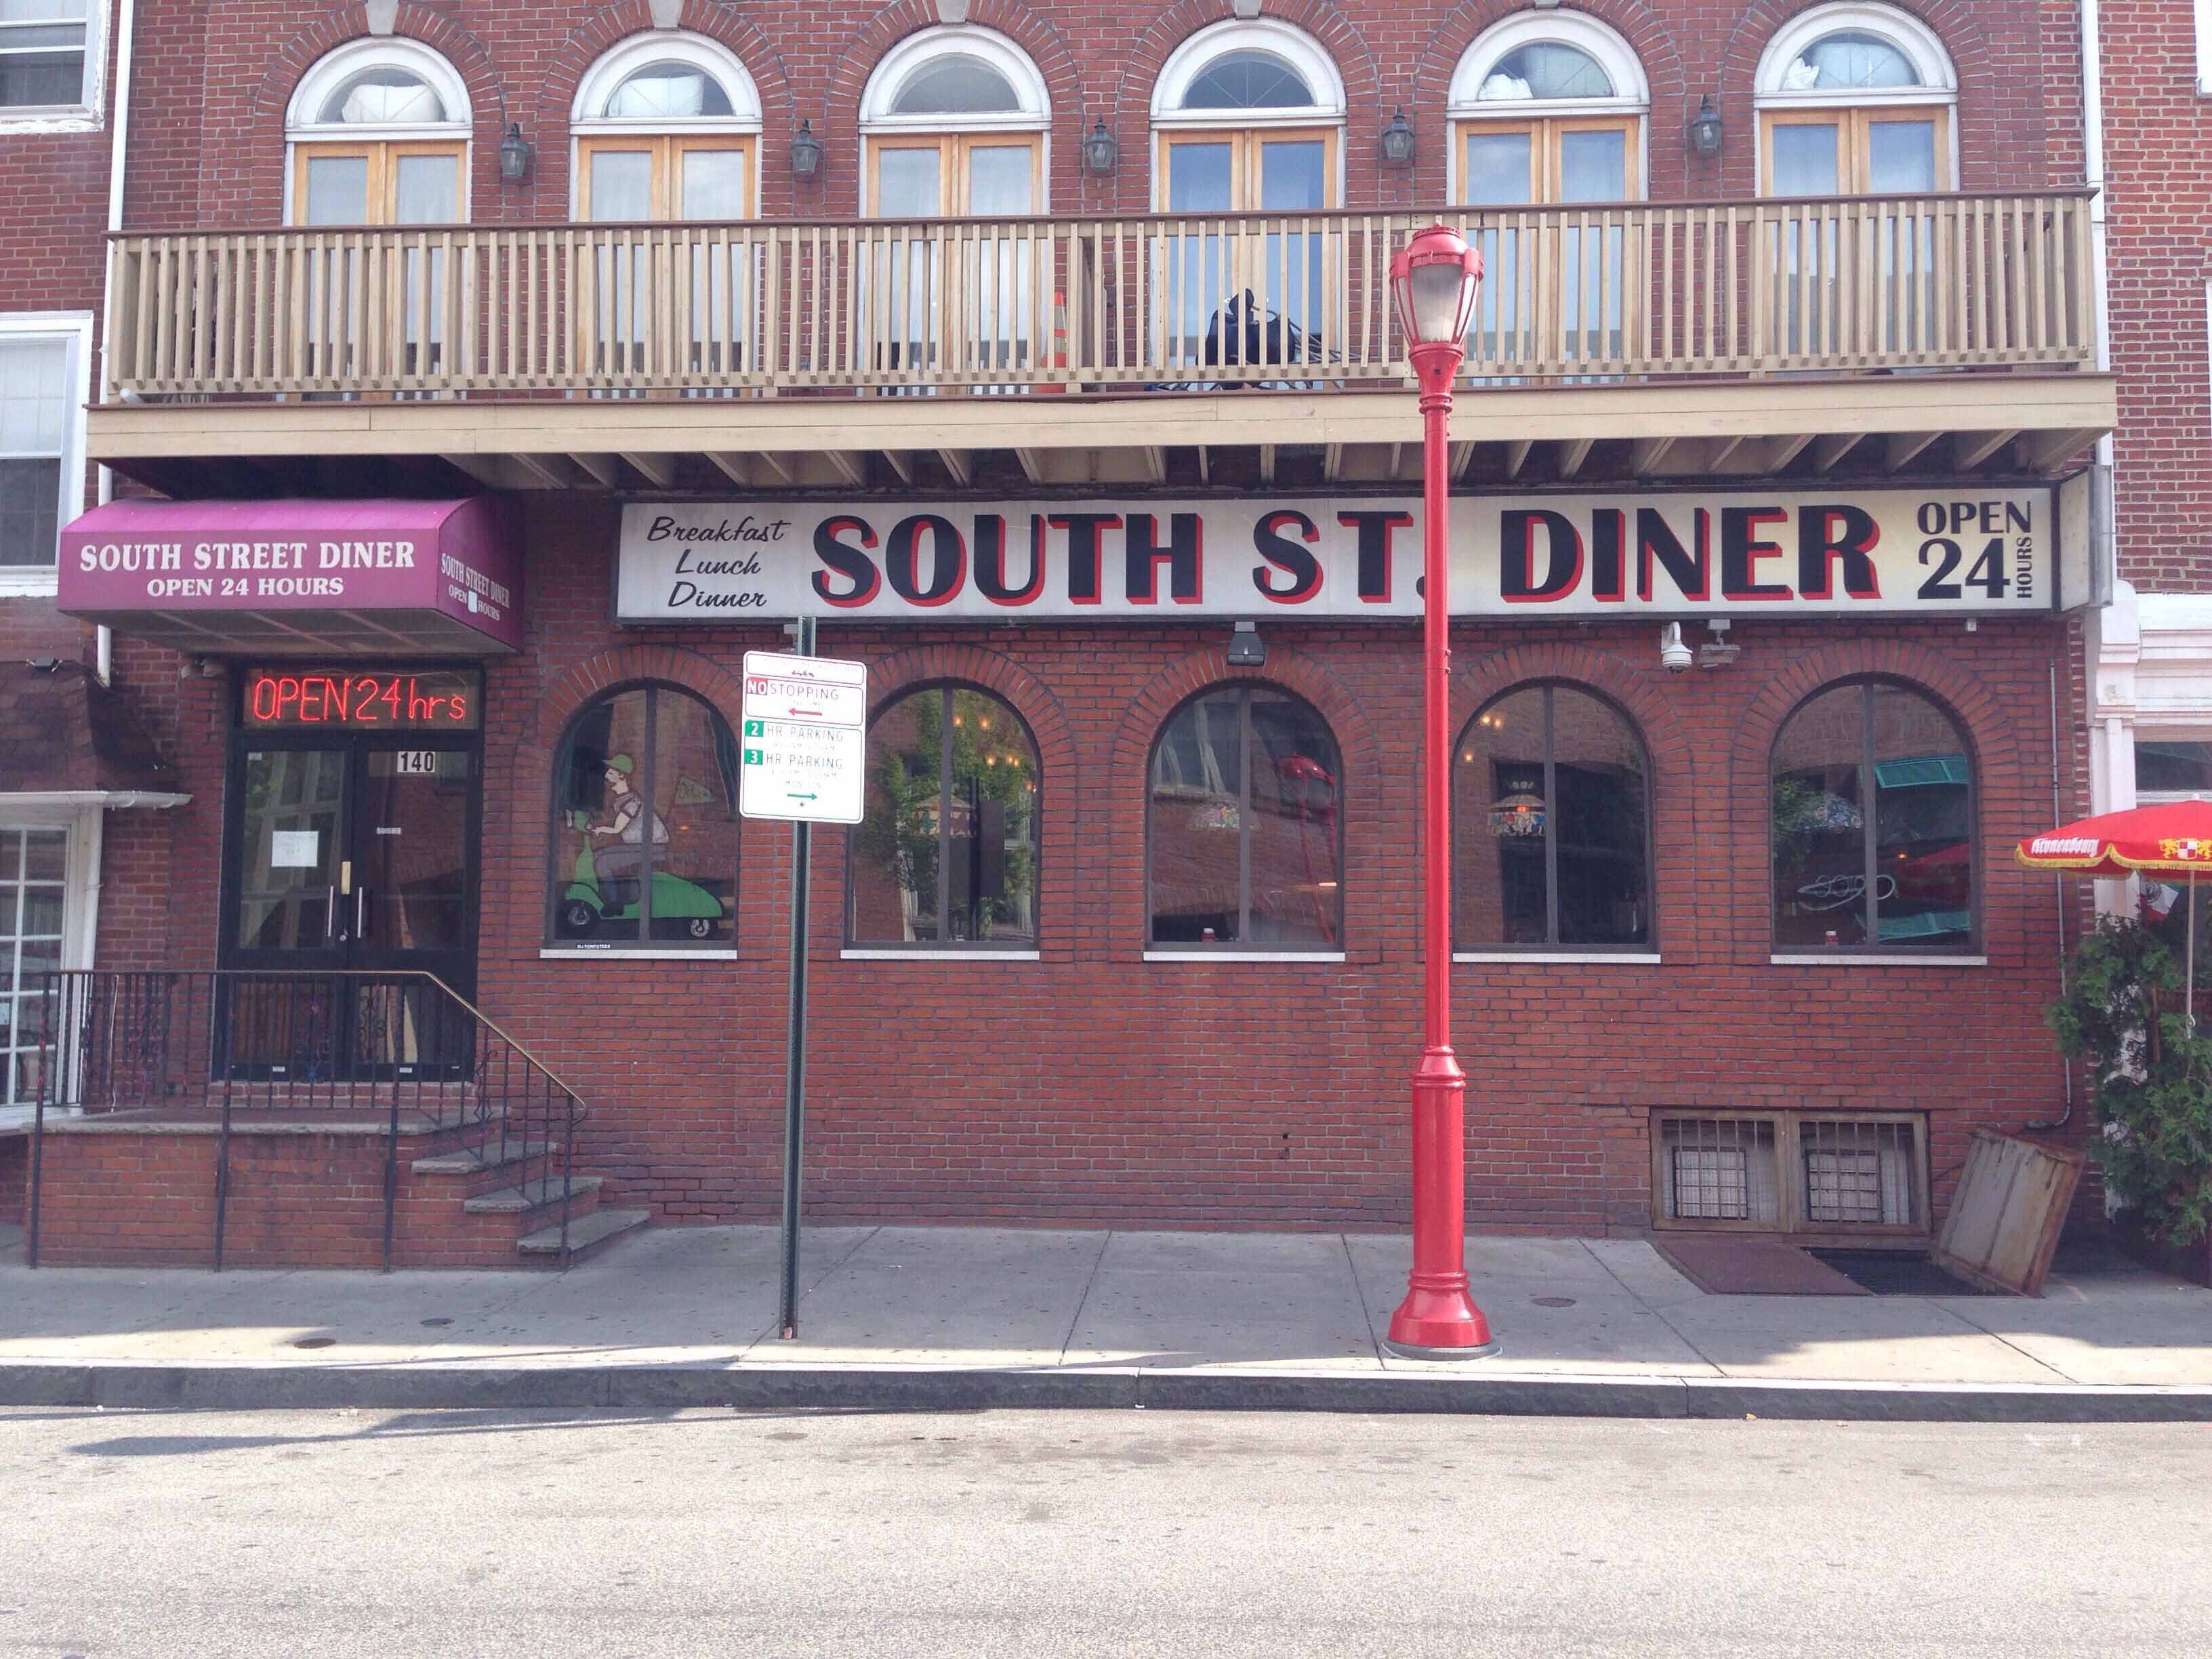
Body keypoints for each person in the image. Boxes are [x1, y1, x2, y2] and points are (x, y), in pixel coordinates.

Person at [587, 753, 670, 909]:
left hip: (652, 847)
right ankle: (618, 898)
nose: (606, 775)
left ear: (622, 776)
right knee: (599, 855)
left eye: (611, 772)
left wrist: (599, 829)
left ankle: (614, 904)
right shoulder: (621, 799)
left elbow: (617, 828)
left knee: (603, 861)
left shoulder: (631, 802)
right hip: (641, 845)